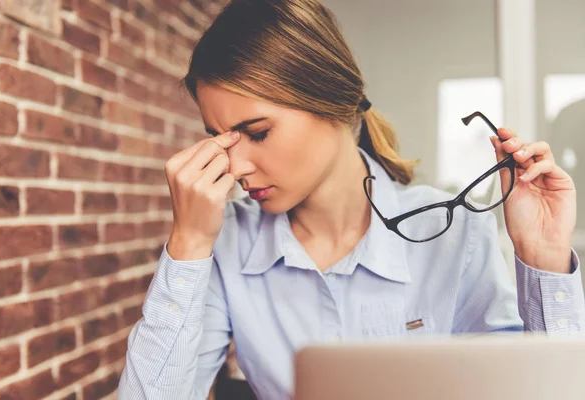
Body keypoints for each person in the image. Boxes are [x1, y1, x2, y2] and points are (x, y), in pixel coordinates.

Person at [117, 0, 585, 399]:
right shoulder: (228, 241)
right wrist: (188, 245)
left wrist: (543, 259)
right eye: (219, 139)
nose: (235, 167)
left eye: (256, 133)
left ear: (335, 102)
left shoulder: (453, 234)